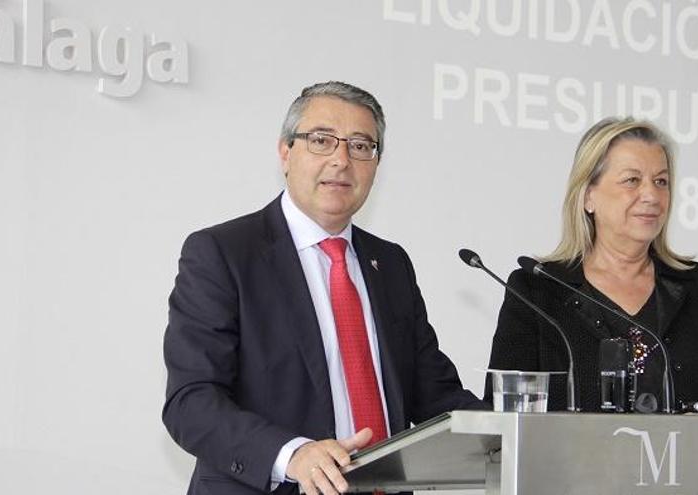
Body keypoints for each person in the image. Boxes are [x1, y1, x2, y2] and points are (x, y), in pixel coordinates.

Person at [163, 81, 484, 495]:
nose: (341, 160)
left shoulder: (390, 263)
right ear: (285, 152)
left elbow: (434, 394)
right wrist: (292, 454)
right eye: (321, 140)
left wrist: (517, 432)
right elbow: (191, 402)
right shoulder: (223, 253)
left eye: (361, 146)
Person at [484, 117, 698, 414]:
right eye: (632, 180)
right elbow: (504, 419)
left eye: (661, 182)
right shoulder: (537, 290)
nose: (651, 195)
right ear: (589, 196)